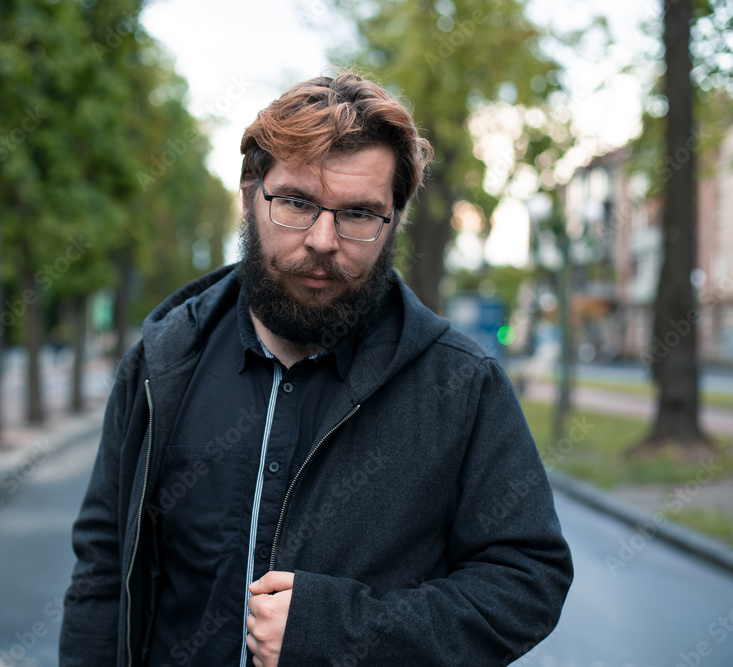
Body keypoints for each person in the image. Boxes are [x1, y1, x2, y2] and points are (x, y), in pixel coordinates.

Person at [59, 71, 573, 667]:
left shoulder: (461, 385)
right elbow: (102, 569)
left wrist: (340, 633)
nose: (324, 240)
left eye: (359, 214)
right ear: (251, 191)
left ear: (395, 220)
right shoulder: (164, 361)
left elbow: (526, 582)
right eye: (298, 203)